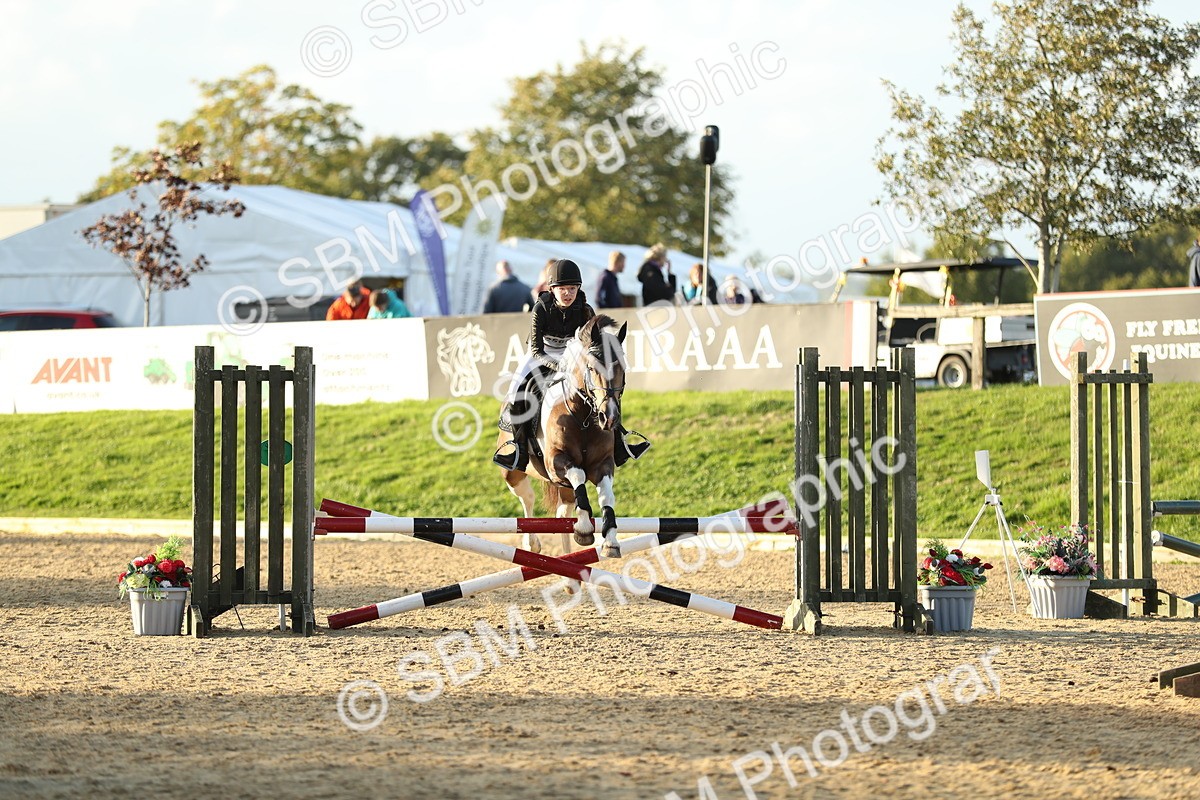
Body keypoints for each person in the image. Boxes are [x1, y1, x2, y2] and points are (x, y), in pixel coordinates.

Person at [494, 258, 650, 471]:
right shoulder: (541, 308)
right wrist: (560, 367)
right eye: (562, 289)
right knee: (516, 391)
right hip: (542, 353)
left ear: (578, 289)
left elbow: (594, 346)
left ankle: (620, 444)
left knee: (605, 388)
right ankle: (518, 450)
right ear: (552, 289)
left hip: (573, 354)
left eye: (572, 288)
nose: (567, 293)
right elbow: (537, 350)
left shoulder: (585, 310)